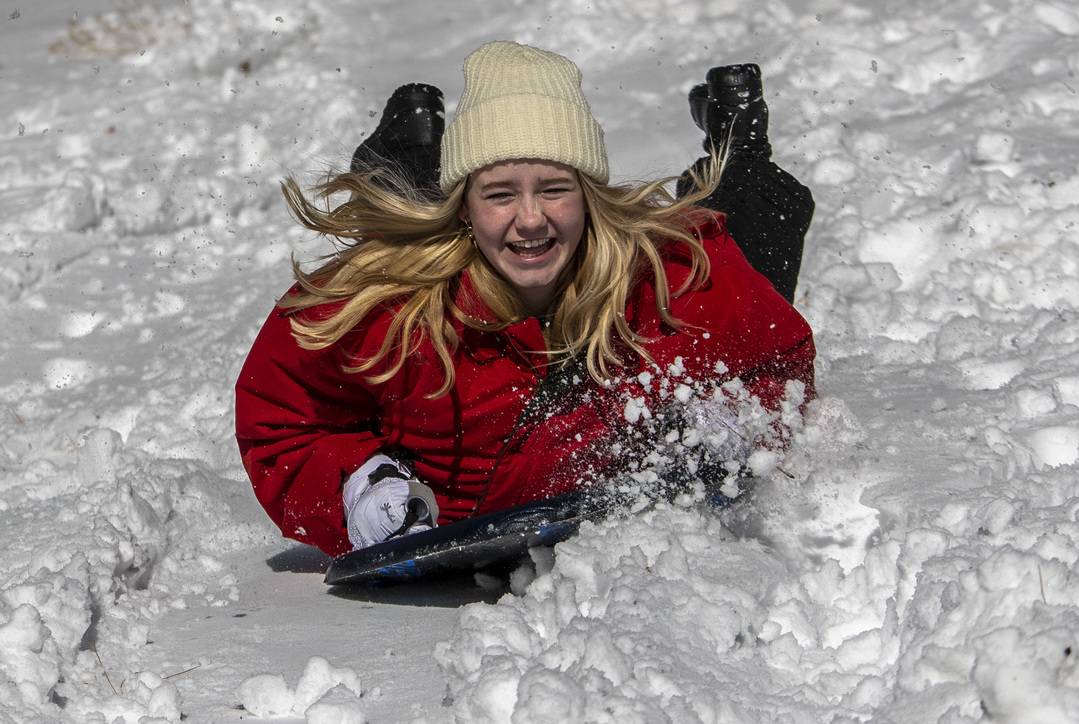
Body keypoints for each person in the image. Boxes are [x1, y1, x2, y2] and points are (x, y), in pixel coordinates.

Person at [235, 41, 816, 557]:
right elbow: (283, 423)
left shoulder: (668, 280)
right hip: (450, 243)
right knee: (413, 217)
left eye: (558, 189)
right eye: (500, 193)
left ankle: (739, 144)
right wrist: (356, 486)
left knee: (747, 227)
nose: (532, 218)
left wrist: (736, 423)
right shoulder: (392, 306)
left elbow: (778, 364)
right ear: (465, 204)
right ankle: (402, 158)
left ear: (589, 198)